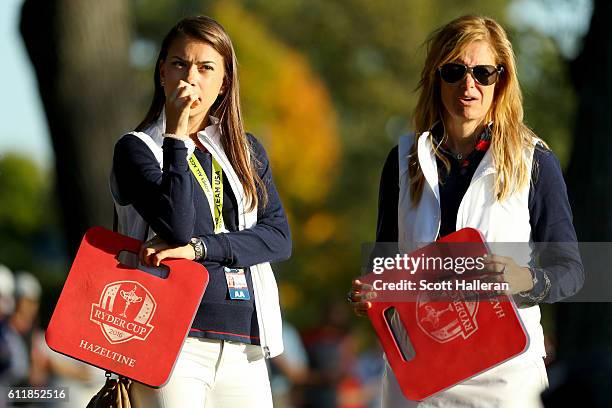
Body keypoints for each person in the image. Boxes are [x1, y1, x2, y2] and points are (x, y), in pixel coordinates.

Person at [348, 15, 583, 407]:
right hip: (419, 376)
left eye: (483, 72)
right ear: (436, 78)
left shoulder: (534, 160)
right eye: (454, 71)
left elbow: (573, 270)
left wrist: (522, 278)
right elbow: (384, 262)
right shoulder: (402, 160)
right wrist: (373, 289)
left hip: (503, 377)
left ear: (501, 80)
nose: (468, 84)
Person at [110, 15, 291, 407]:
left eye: (206, 67)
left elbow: (278, 238)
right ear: (161, 72)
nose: (191, 77)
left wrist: (200, 250)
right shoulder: (137, 148)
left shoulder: (245, 150)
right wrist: (175, 136)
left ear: (224, 82)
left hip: (245, 344)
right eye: (179, 64)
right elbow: (177, 224)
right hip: (168, 338)